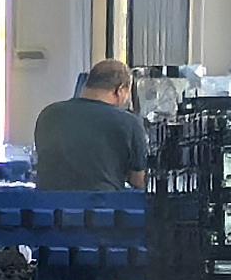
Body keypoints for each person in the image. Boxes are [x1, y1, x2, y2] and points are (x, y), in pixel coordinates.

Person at [30, 58, 150, 190]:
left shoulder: (49, 114)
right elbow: (139, 182)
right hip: (103, 202)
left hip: (50, 202)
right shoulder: (130, 123)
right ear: (120, 89)